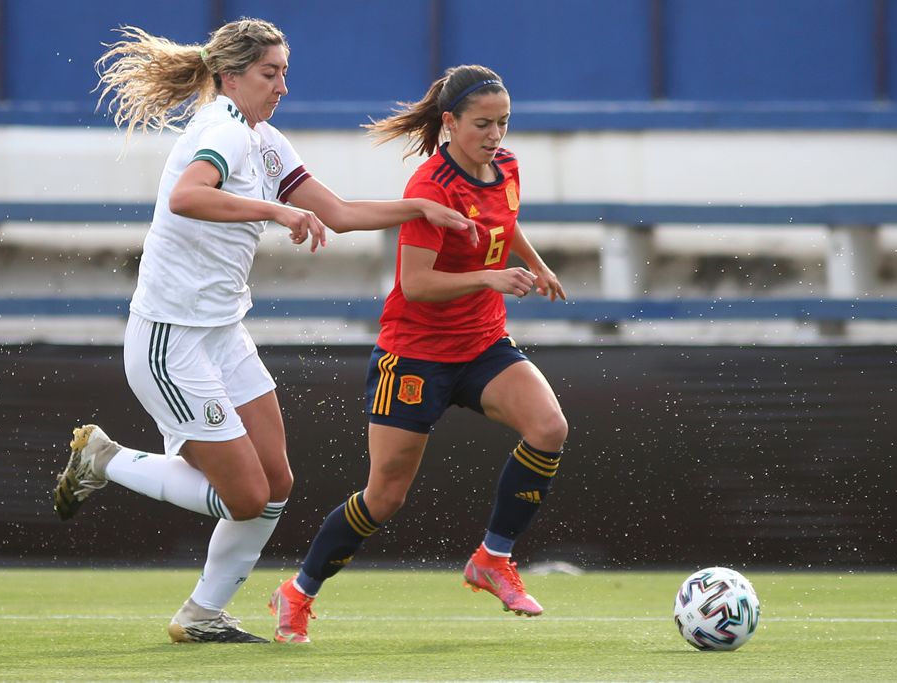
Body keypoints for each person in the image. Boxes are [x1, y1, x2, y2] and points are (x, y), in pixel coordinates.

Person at [51, 18, 476, 644]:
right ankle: (105, 459)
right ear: (230, 77)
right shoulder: (221, 129)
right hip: (171, 340)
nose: (282, 86)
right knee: (246, 497)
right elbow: (188, 196)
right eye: (269, 73)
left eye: (284, 73)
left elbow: (338, 213)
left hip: (223, 334)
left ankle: (203, 615)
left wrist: (417, 207)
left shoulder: (263, 139)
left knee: (276, 484)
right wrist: (276, 209)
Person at [269, 64, 568, 644]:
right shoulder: (430, 187)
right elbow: (417, 284)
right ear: (450, 122)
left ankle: (493, 558)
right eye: (483, 124)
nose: (495, 135)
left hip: (482, 344)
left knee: (549, 427)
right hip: (414, 356)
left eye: (504, 122)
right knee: (385, 496)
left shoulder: (506, 166)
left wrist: (535, 263)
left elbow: (504, 222)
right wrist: (489, 278)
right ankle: (298, 591)